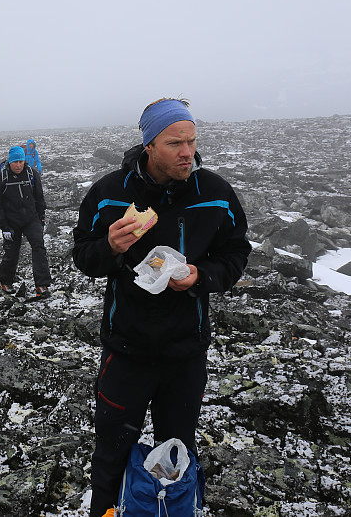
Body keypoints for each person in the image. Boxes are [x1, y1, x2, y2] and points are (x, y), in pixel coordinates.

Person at [71, 98, 250, 517]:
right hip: (127, 349)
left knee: (177, 454)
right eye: (174, 143)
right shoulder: (109, 193)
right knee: (111, 454)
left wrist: (201, 277)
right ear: (150, 145)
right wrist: (111, 248)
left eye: (191, 141)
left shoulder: (216, 194)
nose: (187, 151)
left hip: (185, 352)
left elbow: (236, 252)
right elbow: (83, 255)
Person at [0, 145, 52, 296]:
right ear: (10, 162)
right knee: (11, 252)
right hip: (11, 221)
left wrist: (41, 217)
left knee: (39, 246)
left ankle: (42, 285)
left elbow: (39, 197)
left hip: (31, 219)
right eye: (15, 162)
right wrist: (3, 226)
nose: (18, 165)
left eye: (21, 161)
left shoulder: (32, 174)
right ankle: (6, 282)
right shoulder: (0, 178)